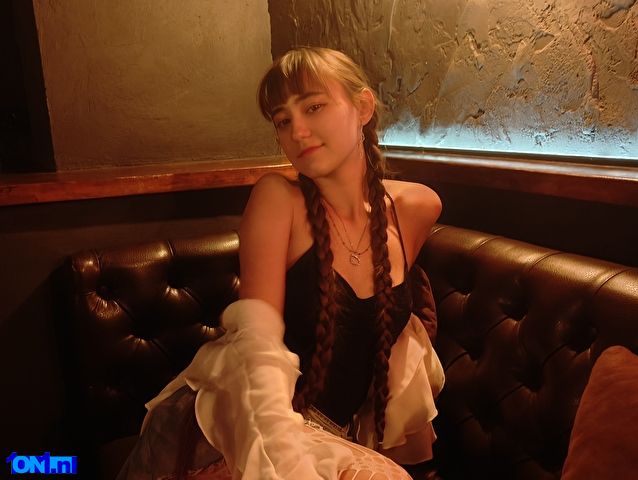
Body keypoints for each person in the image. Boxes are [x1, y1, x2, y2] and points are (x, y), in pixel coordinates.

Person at [117, 46, 444, 480]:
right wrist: (288, 463)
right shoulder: (277, 198)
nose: (298, 131)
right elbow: (258, 347)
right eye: (283, 121)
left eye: (313, 106)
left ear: (363, 108)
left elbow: (386, 333)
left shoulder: (416, 208)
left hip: (328, 435)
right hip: (239, 422)